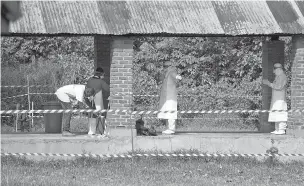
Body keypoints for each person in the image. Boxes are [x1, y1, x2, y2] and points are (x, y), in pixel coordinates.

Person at [262, 63, 288, 135]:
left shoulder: (282, 77)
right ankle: (277, 129)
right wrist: (269, 83)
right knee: (276, 113)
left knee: (281, 114)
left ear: (278, 69)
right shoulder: (278, 77)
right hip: (276, 99)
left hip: (280, 99)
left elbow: (279, 87)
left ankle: (282, 129)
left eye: (274, 70)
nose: (273, 72)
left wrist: (269, 83)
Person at [157, 61, 182, 135]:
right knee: (167, 112)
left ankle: (171, 128)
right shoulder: (167, 73)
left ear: (169, 66)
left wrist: (178, 77)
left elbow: (175, 75)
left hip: (170, 97)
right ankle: (168, 128)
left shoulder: (171, 72)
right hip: (167, 96)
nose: (164, 67)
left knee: (171, 112)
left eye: (165, 66)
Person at [85, 67, 110, 135]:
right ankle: (100, 131)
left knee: (92, 114)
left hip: (90, 99)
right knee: (100, 113)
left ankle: (91, 131)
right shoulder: (100, 82)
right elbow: (108, 89)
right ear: (101, 74)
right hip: (98, 100)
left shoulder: (89, 80)